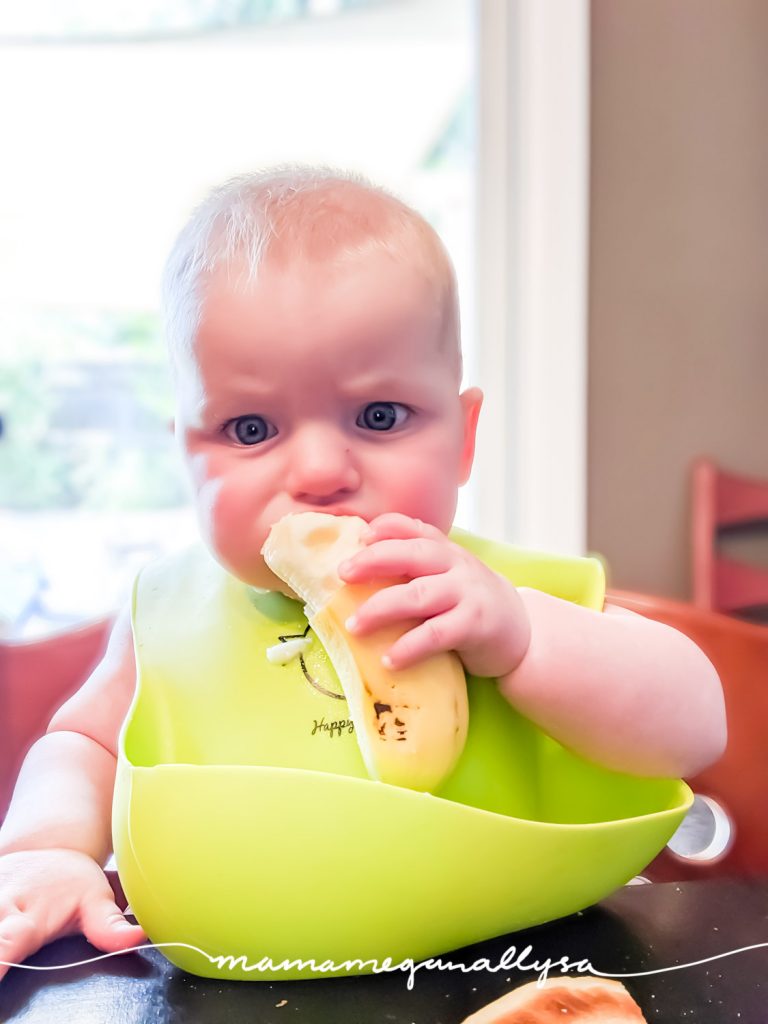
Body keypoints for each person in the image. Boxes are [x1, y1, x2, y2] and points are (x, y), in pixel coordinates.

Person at [0, 166, 726, 981]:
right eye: (249, 427)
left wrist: (524, 640)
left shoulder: (506, 600)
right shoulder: (168, 617)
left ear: (461, 438)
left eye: (379, 417)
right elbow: (81, 742)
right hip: (239, 975)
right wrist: (47, 850)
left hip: (512, 969)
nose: (318, 470)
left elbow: (697, 728)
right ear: (184, 455)